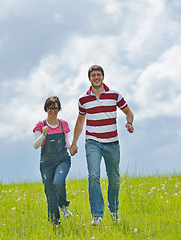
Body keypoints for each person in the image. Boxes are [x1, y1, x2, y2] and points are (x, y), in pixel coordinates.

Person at [70, 65, 134, 226]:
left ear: (103, 77)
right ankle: (97, 216)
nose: (96, 77)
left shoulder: (114, 95)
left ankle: (114, 211)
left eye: (98, 75)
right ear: (89, 78)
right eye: (93, 75)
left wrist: (129, 123)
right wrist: (74, 143)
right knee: (93, 175)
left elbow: (128, 112)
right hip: (93, 143)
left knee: (114, 180)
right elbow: (80, 121)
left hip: (112, 143)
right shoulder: (83, 100)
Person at [33, 96, 72, 225]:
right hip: (46, 164)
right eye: (50, 108)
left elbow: (67, 142)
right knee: (50, 194)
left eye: (55, 108)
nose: (53, 111)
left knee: (58, 182)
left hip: (62, 160)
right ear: (46, 109)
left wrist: (72, 147)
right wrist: (43, 135)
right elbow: (35, 145)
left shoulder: (63, 124)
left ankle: (63, 205)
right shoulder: (40, 125)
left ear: (59, 109)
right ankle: (55, 223)